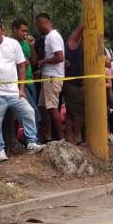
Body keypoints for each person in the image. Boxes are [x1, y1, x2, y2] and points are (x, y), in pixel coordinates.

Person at [0, 15, 45, 162]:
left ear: (2, 30)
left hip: (13, 92)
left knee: (29, 112)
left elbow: (21, 66)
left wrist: (21, 88)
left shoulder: (13, 44)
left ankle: (31, 142)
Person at [35, 13, 66, 142]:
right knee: (42, 106)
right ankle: (48, 136)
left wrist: (43, 61)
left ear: (43, 22)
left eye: (38, 25)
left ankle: (60, 139)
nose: (38, 29)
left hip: (52, 77)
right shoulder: (49, 36)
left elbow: (59, 57)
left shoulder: (53, 36)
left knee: (52, 107)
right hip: (47, 75)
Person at [61, 24, 87, 146]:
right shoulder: (72, 44)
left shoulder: (87, 46)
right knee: (77, 111)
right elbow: (77, 33)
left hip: (81, 83)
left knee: (73, 112)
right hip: (72, 82)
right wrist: (87, 19)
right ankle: (76, 137)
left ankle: (71, 137)